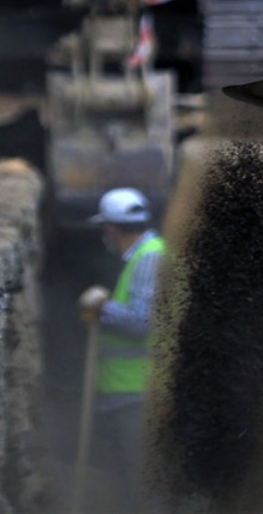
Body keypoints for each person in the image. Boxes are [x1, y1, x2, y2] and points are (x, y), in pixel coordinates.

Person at [77, 187, 165, 503]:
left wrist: (103, 307)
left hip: (137, 393)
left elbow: (143, 322)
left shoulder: (150, 257)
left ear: (110, 228)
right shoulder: (143, 256)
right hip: (126, 393)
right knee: (128, 480)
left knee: (141, 483)